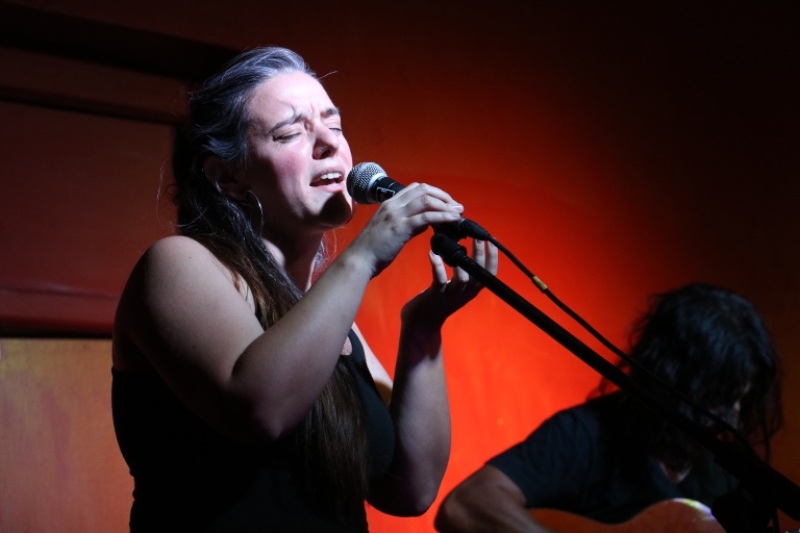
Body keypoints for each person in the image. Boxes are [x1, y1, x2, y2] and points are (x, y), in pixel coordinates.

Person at [111, 46, 498, 532]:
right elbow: (260, 410)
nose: (328, 144)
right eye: (291, 132)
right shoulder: (177, 263)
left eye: (334, 126)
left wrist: (422, 330)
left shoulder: (330, 321)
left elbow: (409, 490)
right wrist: (365, 253)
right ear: (228, 177)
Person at [434, 283, 783, 533]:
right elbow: (466, 505)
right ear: (678, 379)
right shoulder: (587, 434)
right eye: (721, 397)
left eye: (742, 398)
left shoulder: (730, 479)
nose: (733, 413)